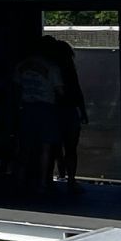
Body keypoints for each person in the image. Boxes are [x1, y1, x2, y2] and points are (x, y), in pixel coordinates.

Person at [14, 36, 64, 194]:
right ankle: (42, 182)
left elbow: (16, 87)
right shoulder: (52, 67)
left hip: (27, 107)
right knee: (45, 147)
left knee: (24, 147)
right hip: (46, 108)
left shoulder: (21, 65)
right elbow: (60, 90)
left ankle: (20, 180)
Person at [45, 37, 87, 191]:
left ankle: (48, 178)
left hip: (53, 110)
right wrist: (83, 111)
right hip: (69, 110)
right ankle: (71, 179)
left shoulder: (49, 68)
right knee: (71, 148)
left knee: (51, 147)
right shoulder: (69, 69)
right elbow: (77, 91)